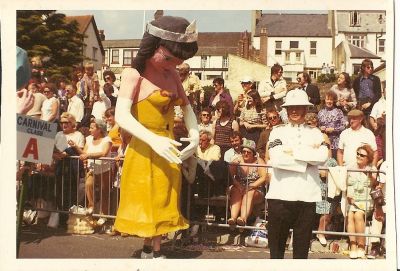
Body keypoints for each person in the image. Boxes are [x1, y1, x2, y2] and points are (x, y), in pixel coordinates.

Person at [113, 16, 199, 259]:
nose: (173, 65)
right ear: (153, 45)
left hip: (168, 147)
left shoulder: (172, 75)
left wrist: (194, 135)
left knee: (164, 199)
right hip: (145, 147)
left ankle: (155, 249)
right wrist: (154, 140)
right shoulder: (133, 74)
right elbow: (121, 115)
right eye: (169, 58)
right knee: (147, 199)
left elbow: (188, 108)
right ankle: (148, 249)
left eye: (178, 62)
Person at [266, 88, 329, 259]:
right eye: (290, 107)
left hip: (307, 197)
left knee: (301, 252)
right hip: (280, 197)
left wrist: (292, 152)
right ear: (285, 110)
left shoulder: (316, 132)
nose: (294, 111)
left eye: (299, 107)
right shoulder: (277, 131)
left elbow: (323, 156)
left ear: (306, 108)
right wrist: (308, 158)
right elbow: (277, 159)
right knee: (276, 252)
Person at [70, 119, 112, 226]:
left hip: (104, 169)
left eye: (92, 128)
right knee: (89, 184)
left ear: (100, 129)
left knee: (104, 192)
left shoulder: (107, 139)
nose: (90, 130)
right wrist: (75, 146)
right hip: (92, 169)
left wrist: (89, 156)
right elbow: (84, 153)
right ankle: (91, 206)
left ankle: (104, 215)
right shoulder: (88, 139)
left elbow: (104, 152)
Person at [346, 144, 376, 259]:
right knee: (350, 215)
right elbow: (348, 184)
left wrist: (369, 175)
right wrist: (349, 196)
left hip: (366, 201)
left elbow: (375, 184)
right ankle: (353, 247)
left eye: (362, 155)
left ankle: (361, 247)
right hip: (353, 200)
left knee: (358, 215)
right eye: (357, 153)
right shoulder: (351, 167)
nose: (358, 156)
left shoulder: (371, 169)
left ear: (368, 158)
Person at [228, 139, 267, 226]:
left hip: (255, 189)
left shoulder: (259, 161)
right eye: (244, 151)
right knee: (235, 191)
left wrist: (251, 186)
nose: (245, 154)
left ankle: (243, 218)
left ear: (253, 153)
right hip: (240, 187)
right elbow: (229, 175)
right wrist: (238, 185)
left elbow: (263, 177)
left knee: (249, 192)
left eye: (248, 152)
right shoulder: (237, 161)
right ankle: (233, 218)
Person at [317, 91, 346, 160]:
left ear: (334, 101)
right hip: (324, 142)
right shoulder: (320, 112)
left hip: (336, 142)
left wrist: (334, 129)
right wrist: (320, 128)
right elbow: (316, 126)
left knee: (335, 163)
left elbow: (344, 126)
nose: (329, 101)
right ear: (324, 100)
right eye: (327, 99)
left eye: (331, 99)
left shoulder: (339, 112)